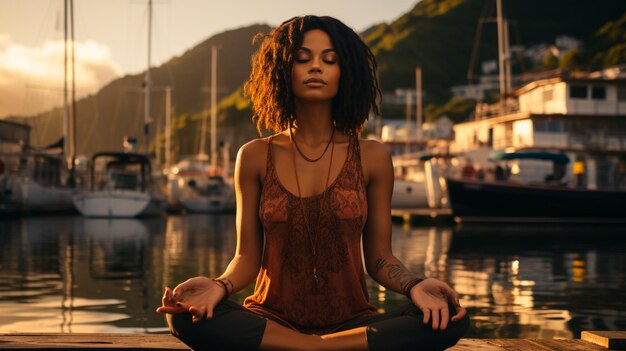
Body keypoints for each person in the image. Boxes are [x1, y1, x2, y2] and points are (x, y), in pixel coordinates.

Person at [157, 15, 469, 350]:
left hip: (352, 320)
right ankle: (320, 347)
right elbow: (247, 256)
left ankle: (312, 346)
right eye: (303, 59)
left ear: (344, 72)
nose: (316, 67)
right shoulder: (254, 156)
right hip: (270, 317)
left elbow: (380, 258)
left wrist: (415, 285)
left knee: (450, 315)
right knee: (180, 314)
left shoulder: (372, 157)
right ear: (282, 72)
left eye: (329, 60)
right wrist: (219, 286)